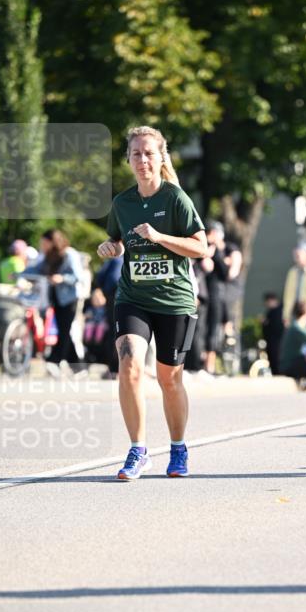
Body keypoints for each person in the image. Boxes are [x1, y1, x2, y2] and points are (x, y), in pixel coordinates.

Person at [97, 125, 207, 481]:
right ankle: (138, 450)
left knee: (169, 379)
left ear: (161, 158)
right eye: (136, 154)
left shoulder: (175, 199)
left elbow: (201, 247)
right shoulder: (123, 203)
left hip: (174, 300)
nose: (142, 160)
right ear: (127, 159)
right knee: (128, 364)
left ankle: (177, 447)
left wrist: (160, 237)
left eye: (149, 153)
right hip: (133, 298)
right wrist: (110, 248)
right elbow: (117, 241)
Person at [25, 229, 83, 374]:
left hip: (69, 299)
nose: (42, 246)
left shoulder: (70, 254)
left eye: (44, 243)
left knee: (64, 330)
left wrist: (62, 278)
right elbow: (37, 269)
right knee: (65, 331)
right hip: (56, 299)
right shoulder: (48, 257)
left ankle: (54, 360)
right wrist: (21, 274)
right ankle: (78, 367)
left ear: (53, 242)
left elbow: (78, 276)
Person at [200, 220, 229, 374]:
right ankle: (200, 362)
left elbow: (225, 274)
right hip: (203, 293)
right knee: (201, 328)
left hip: (216, 294)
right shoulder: (201, 248)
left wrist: (216, 253)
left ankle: (209, 365)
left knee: (213, 329)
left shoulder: (220, 251)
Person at [95, 253, 123, 377]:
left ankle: (116, 368)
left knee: (119, 333)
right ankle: (114, 368)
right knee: (115, 333)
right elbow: (101, 277)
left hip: (124, 296)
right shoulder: (116, 258)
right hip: (114, 296)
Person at [261, 292, 284, 375]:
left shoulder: (279, 311)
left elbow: (276, 326)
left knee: (276, 360)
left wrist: (266, 323)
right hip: (271, 341)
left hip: (277, 341)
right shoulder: (271, 312)